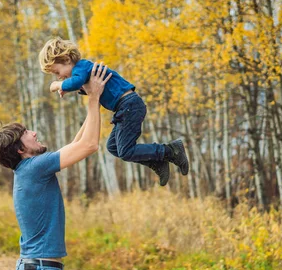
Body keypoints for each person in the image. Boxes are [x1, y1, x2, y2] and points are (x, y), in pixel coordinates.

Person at [0, 62, 111, 270]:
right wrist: (95, 98)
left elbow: (76, 144)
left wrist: (91, 102)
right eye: (27, 134)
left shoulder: (29, 170)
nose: (33, 132)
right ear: (21, 149)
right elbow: (89, 146)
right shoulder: (34, 167)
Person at [38, 37, 189, 186]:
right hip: (124, 108)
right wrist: (69, 86)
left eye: (57, 71)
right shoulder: (83, 71)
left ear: (65, 59)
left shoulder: (81, 67)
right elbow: (82, 85)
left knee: (125, 151)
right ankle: (157, 162)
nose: (58, 76)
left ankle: (170, 150)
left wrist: (58, 85)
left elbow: (76, 82)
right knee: (113, 147)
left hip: (129, 105)